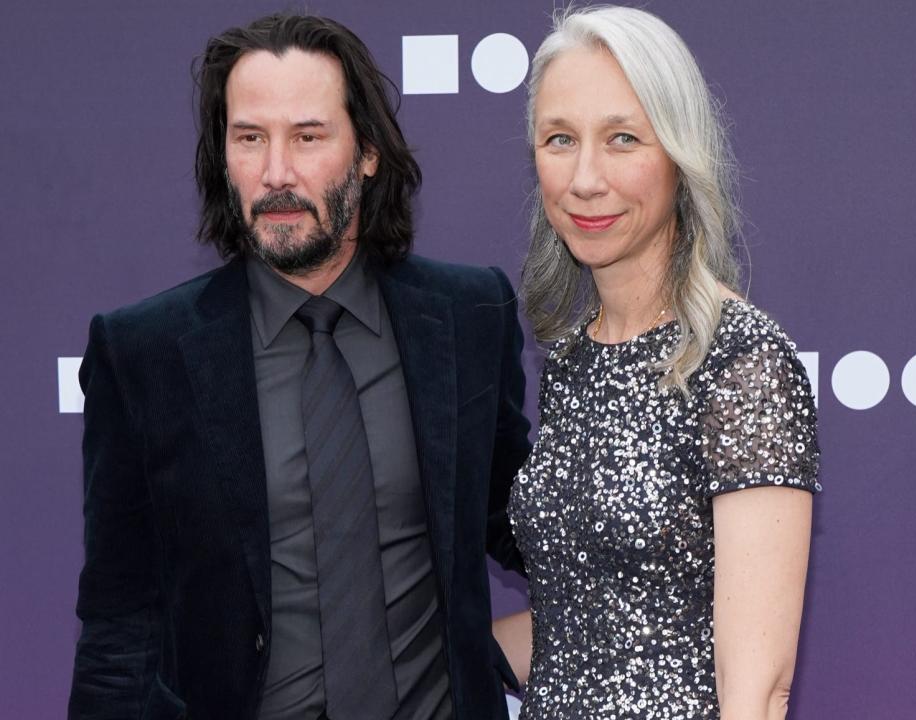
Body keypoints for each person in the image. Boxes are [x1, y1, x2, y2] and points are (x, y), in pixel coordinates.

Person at [68, 13, 530, 720]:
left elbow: (521, 520)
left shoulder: (469, 314)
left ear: (368, 151)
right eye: (249, 138)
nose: (276, 173)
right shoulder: (144, 353)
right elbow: (118, 622)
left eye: (307, 137)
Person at [495, 6, 821, 719]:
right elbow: (590, 624)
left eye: (622, 140)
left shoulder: (743, 363)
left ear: (679, 153)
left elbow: (759, 688)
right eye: (559, 139)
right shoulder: (575, 359)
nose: (585, 178)